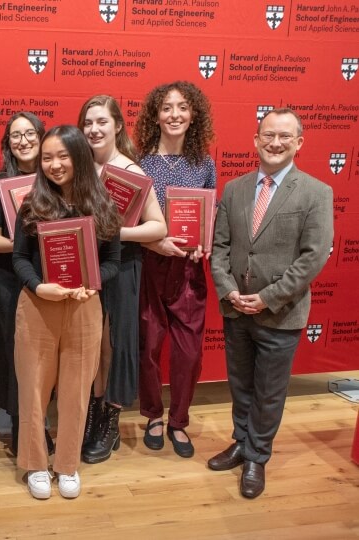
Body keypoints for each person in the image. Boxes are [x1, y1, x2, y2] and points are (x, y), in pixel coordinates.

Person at [209, 108, 333, 498]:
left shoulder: (316, 192)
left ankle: (257, 457)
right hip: (236, 309)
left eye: (284, 136)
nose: (274, 143)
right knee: (242, 385)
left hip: (280, 314)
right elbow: (219, 249)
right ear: (255, 140)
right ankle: (241, 443)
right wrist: (229, 291)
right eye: (267, 136)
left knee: (269, 392)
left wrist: (265, 298)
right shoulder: (235, 188)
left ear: (298, 142)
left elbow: (312, 258)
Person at [13, 125, 121, 500]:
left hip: (83, 307)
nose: (55, 164)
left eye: (62, 156)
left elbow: (114, 262)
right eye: (47, 158)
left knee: (77, 392)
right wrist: (38, 286)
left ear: (79, 157)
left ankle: (67, 465)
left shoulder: (104, 204)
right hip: (38, 306)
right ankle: (36, 464)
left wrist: (94, 283)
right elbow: (19, 258)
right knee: (33, 390)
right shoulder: (32, 202)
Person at [77, 95, 166, 464]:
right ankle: (92, 416)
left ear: (117, 125)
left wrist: (113, 233)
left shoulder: (132, 173)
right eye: (88, 123)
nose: (94, 129)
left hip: (123, 268)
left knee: (114, 345)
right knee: (91, 345)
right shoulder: (79, 169)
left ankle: (110, 421)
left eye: (101, 121)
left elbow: (158, 227)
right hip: (86, 268)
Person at [134, 81, 216, 458]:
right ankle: (152, 413)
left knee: (189, 352)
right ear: (156, 115)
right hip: (150, 266)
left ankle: (179, 420)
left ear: (193, 114)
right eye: (166, 108)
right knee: (148, 345)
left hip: (188, 272)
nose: (174, 115)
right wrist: (155, 243)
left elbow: (210, 216)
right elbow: (127, 222)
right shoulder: (139, 163)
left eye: (182, 107)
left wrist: (205, 242)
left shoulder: (205, 164)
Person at [0, 112, 54, 456]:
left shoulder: (56, 179)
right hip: (11, 282)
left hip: (52, 279)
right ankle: (19, 426)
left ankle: (42, 423)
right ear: (8, 144)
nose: (23, 141)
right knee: (15, 357)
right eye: (15, 136)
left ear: (42, 138)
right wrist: (34, 240)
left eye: (29, 134)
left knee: (47, 355)